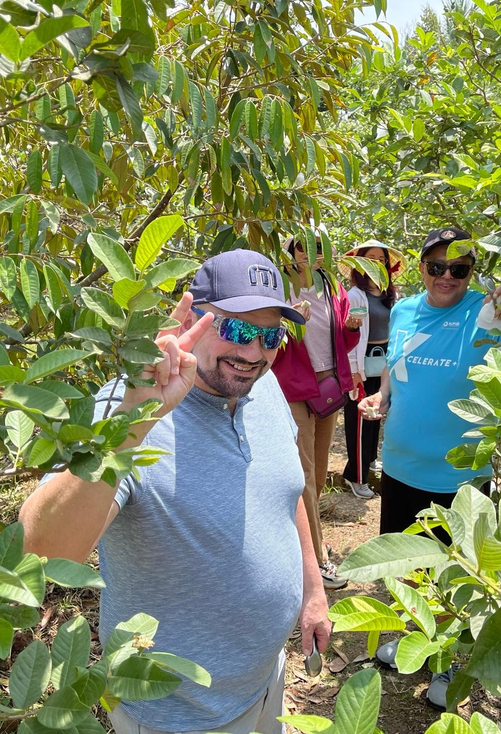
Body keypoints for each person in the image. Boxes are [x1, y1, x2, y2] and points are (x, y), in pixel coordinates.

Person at [19, 250, 331, 734]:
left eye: (270, 336)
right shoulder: (130, 409)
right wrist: (132, 422)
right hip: (177, 715)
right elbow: (40, 553)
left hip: (265, 682)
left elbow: (285, 493)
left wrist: (312, 593)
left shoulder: (261, 388)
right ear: (193, 319)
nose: (253, 353)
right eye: (238, 330)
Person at [358, 226, 501, 710]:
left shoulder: (485, 311)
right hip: (402, 463)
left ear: (471, 271)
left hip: (460, 475)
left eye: (459, 268)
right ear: (422, 266)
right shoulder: (404, 309)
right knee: (407, 559)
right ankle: (415, 634)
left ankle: (448, 661)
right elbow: (394, 363)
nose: (446, 276)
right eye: (436, 266)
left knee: (457, 572)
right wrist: (382, 396)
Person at [272, 235, 361, 590]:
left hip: (328, 385)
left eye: (319, 248)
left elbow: (339, 338)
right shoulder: (281, 286)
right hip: (294, 387)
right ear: (290, 253)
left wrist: (351, 330)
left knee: (320, 472)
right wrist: (289, 323)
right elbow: (266, 337)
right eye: (302, 248)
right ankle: (316, 559)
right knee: (305, 471)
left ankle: (307, 535)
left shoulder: (331, 285)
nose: (311, 255)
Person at [337, 240, 406, 499]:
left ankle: (369, 460)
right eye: (371, 258)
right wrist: (354, 369)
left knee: (377, 413)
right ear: (360, 263)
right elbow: (348, 335)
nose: (377, 263)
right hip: (362, 361)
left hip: (385, 361)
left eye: (381, 259)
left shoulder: (392, 294)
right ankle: (355, 475)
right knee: (358, 420)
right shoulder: (355, 295)